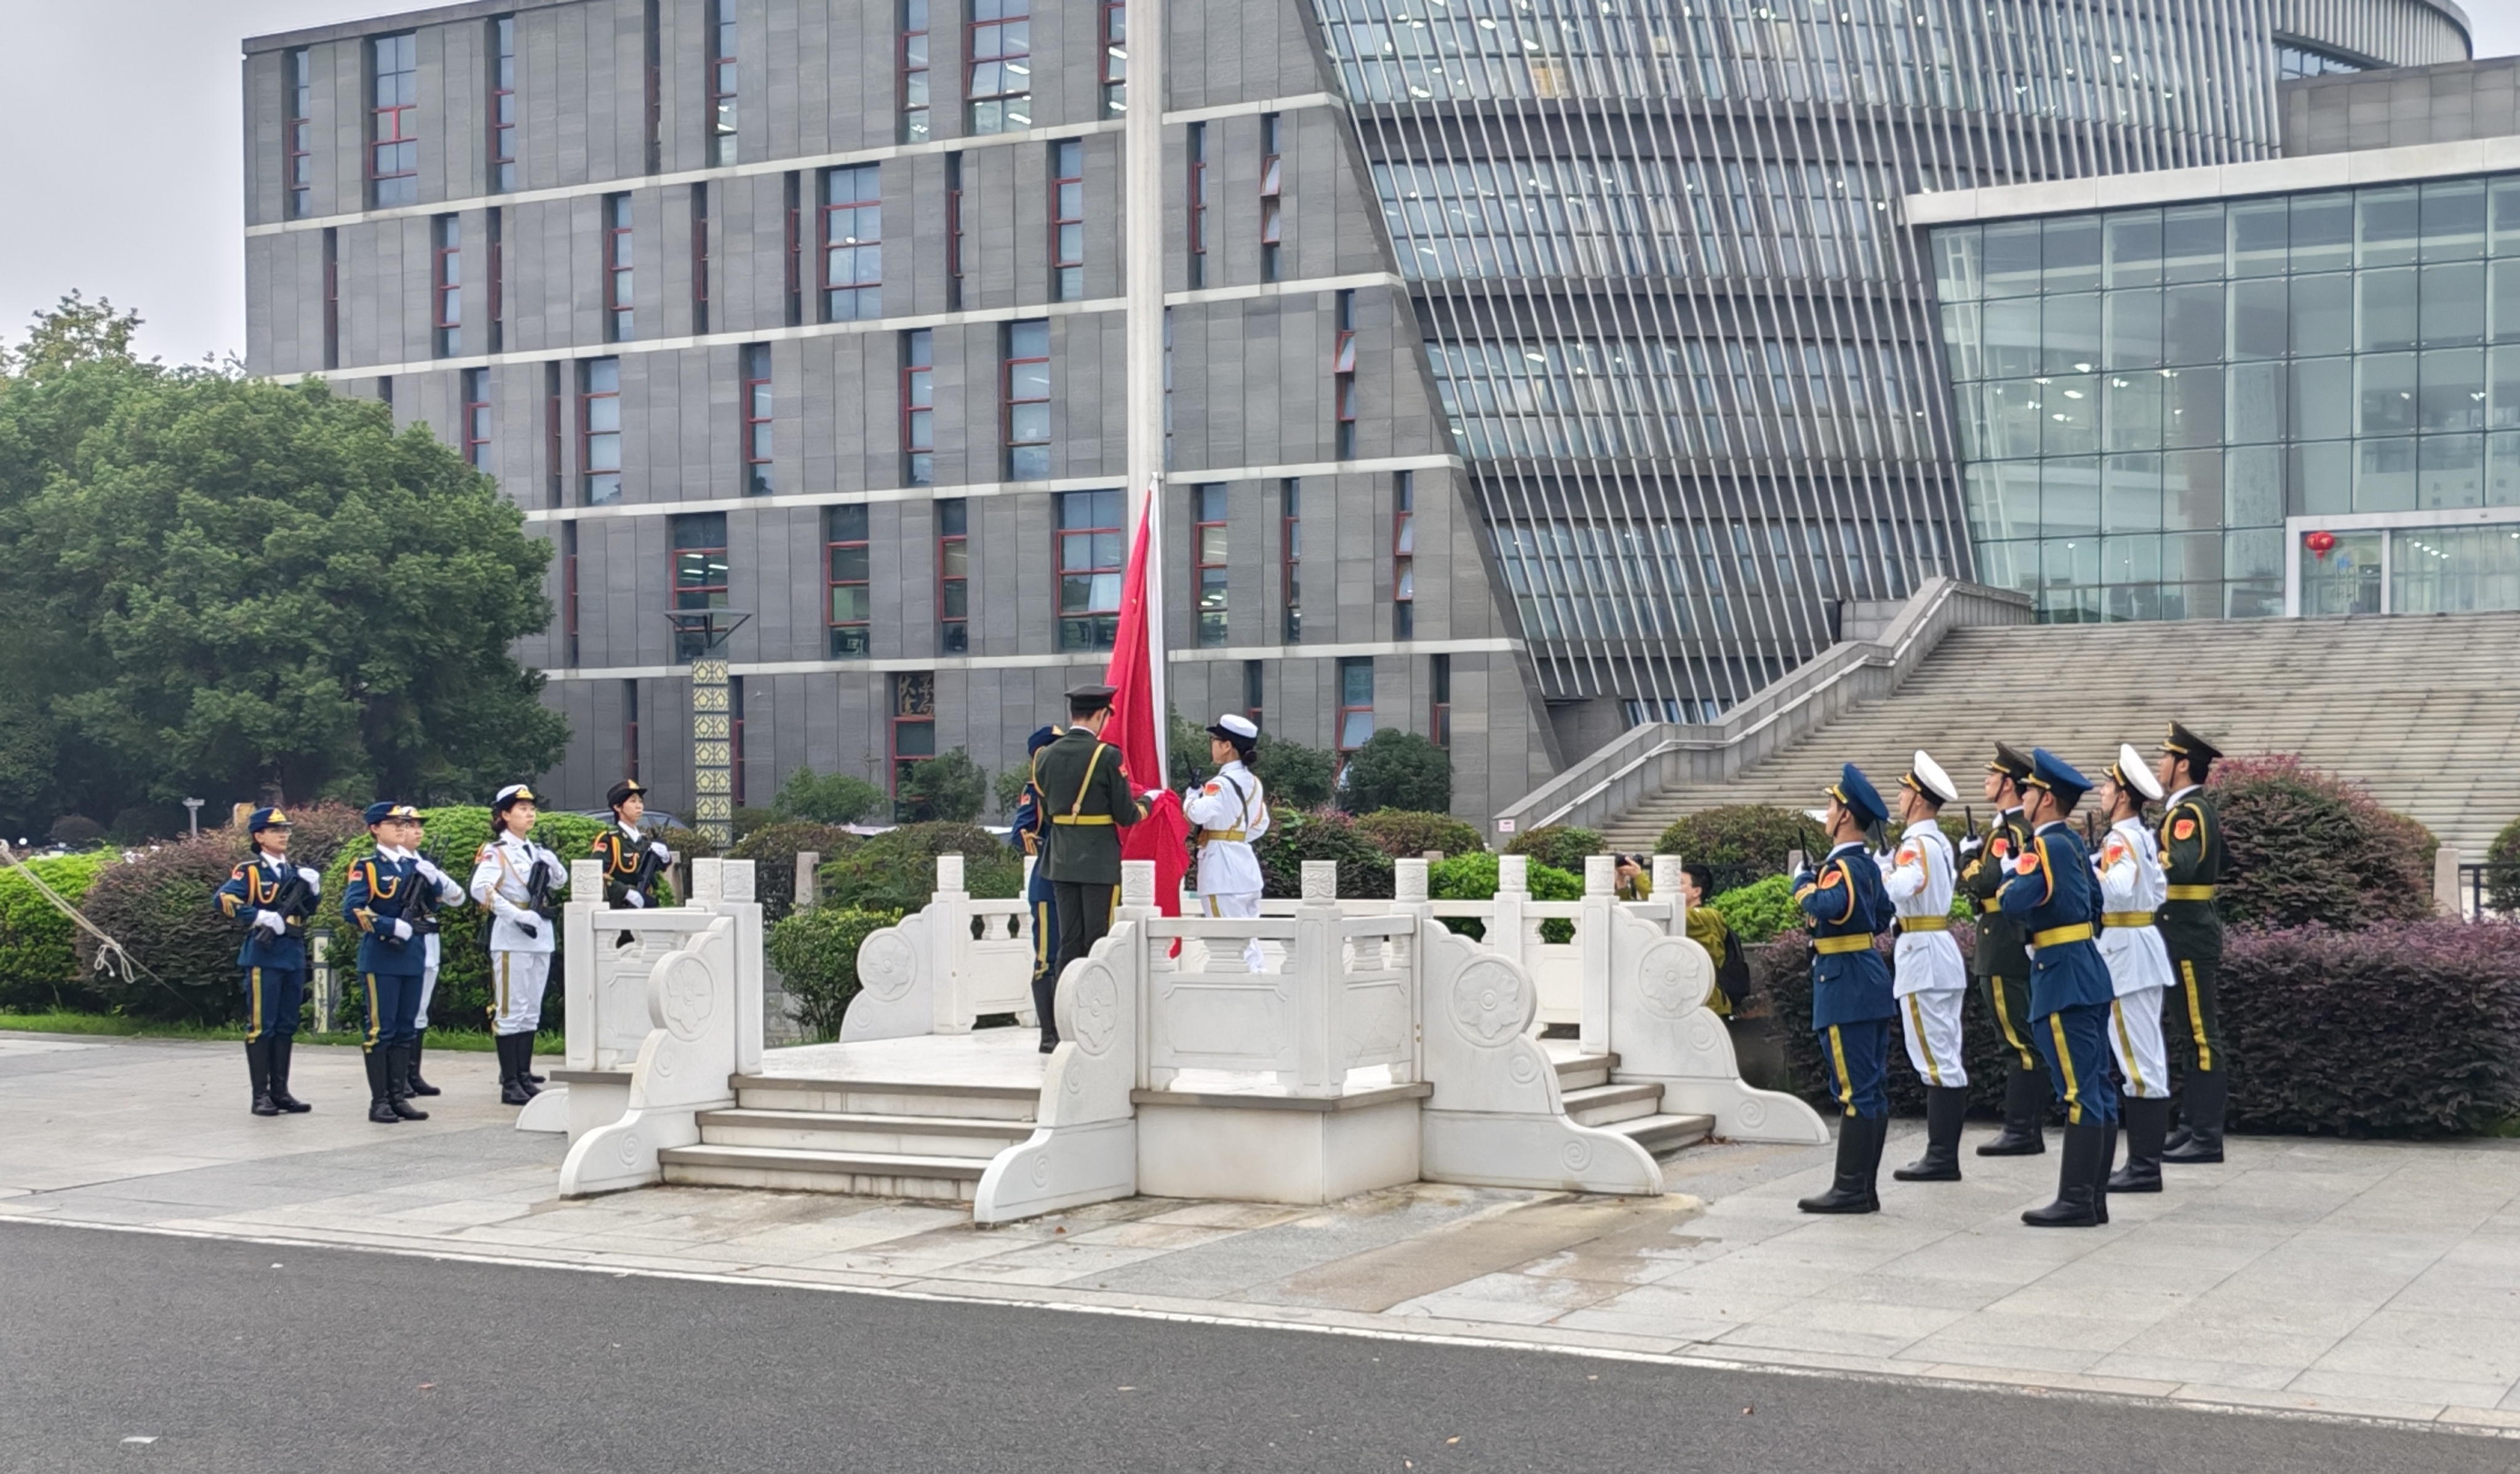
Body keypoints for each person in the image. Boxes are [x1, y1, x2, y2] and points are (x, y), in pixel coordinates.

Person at [1998, 749, 2120, 1228]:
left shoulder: (2043, 846)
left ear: (2046, 798)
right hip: (2087, 968)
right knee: (2097, 1088)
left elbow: (2014, 900)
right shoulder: (2070, 845)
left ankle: (2074, 1200)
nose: (2023, 796)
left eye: (2028, 790)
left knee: (2078, 1092)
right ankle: (2094, 1199)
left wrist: (2012, 875)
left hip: (2061, 977)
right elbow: (2095, 904)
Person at [1793, 763, 1898, 1216]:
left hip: (1844, 983)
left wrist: (1802, 885)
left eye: (1833, 806)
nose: (1827, 814)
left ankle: (1851, 1189)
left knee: (1855, 1091)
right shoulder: (1868, 866)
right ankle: (1863, 1188)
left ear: (1846, 817)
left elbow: (1827, 905)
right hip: (1868, 976)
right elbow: (1882, 916)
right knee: (1870, 1088)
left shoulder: (1841, 868)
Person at [1031, 683, 1147, 1030]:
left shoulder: (1046, 756)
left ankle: (1065, 1018)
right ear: (1100, 714)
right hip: (1098, 861)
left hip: (1060, 860)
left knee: (1069, 940)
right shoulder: (1107, 756)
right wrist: (1150, 804)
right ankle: (1093, 1019)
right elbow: (1126, 814)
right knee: (1097, 938)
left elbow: (1049, 814)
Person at [1884, 751, 1970, 1184]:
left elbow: (1904, 886)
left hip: (1922, 954)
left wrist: (1882, 872)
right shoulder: (1939, 841)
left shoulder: (1915, 845)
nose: (1899, 797)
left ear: (1918, 798)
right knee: (1946, 1054)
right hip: (1939, 950)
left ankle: (1941, 1157)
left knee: (1936, 1059)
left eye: (1904, 790)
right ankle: (1942, 1155)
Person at [2094, 745, 2175, 1194]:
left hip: (2127, 952)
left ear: (2123, 796)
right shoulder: (2141, 836)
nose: (2102, 793)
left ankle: (2144, 1167)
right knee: (2144, 1058)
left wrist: (2093, 876)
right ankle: (2144, 1164)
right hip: (2140, 944)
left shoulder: (2120, 839)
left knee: (2138, 1063)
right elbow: (2157, 889)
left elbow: (2120, 891)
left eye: (2107, 786)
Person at [1961, 742, 2046, 1157]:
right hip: (2009, 940)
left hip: (2002, 943)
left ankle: (2021, 1130)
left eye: (1992, 776)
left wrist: (1968, 863)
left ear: (2008, 785)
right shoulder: (2012, 828)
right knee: (2020, 1037)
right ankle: (2026, 1128)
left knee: (2017, 1040)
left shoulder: (2008, 832)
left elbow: (1987, 882)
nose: (1986, 781)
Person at [2153, 721, 2230, 1165]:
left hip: (2188, 931)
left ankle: (2205, 1135)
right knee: (2189, 1034)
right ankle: (2190, 1127)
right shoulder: (2188, 810)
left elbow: (2180, 867)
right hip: (2182, 930)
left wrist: (2147, 851)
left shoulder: (2188, 813)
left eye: (2166, 758)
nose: (2160, 765)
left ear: (2183, 765)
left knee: (2201, 1035)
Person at [212, 807, 322, 1117]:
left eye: (286, 830)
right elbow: (223, 899)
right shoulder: (249, 871)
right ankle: (260, 1095)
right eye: (276, 830)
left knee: (287, 1024)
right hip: (264, 955)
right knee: (263, 1026)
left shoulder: (294, 872)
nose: (283, 835)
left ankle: (281, 1091)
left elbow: (308, 909)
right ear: (259, 836)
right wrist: (259, 916)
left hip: (293, 952)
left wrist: (313, 889)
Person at [470, 784, 565, 1105]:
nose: (529, 813)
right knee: (510, 1011)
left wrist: (554, 865)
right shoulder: (496, 851)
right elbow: (480, 889)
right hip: (512, 937)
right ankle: (509, 1082)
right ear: (505, 815)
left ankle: (524, 1076)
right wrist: (514, 916)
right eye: (521, 808)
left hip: (540, 935)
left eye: (531, 808)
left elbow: (559, 882)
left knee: (531, 1011)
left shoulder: (535, 850)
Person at [343, 802, 434, 1123]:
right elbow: (353, 909)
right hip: (382, 957)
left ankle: (399, 1097)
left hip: (411, 956)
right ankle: (379, 1101)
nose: (400, 827)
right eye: (392, 822)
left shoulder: (414, 866)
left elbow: (434, 904)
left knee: (405, 1029)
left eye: (402, 822)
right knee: (381, 1030)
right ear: (374, 829)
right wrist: (390, 926)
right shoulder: (367, 866)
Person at [1183, 714, 1270, 973]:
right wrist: (1235, 837)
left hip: (1222, 872)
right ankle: (1260, 988)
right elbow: (1260, 823)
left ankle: (1244, 996)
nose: (1212, 744)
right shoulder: (1254, 783)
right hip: (1245, 867)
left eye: (1215, 740)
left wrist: (1190, 798)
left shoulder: (1219, 784)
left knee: (1228, 942)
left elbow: (1197, 813)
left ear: (1227, 746)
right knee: (1249, 942)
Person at [402, 813, 467, 1098]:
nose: (417, 831)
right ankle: (399, 1076)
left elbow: (458, 898)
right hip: (406, 940)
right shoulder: (394, 865)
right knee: (405, 1010)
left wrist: (436, 876)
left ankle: (413, 1074)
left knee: (421, 1008)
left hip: (429, 937)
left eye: (418, 826)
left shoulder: (425, 862)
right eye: (409, 826)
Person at [1010, 725, 1064, 1051]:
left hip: (1079, 881)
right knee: (1048, 958)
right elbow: (1021, 834)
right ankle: (1049, 1033)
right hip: (1048, 882)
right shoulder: (1035, 790)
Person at [593, 778, 675, 944]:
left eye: (640, 801)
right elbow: (597, 873)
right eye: (632, 801)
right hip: (621, 910)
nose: (639, 806)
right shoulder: (611, 839)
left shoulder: (644, 841)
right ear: (618, 807)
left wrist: (665, 857)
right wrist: (625, 892)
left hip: (646, 909)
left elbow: (659, 867)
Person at [1678, 862, 1743, 1017]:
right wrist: (1622, 883)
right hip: (1690, 1003)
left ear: (1697, 892)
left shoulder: (1706, 916)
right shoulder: (1678, 917)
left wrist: (1640, 877)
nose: (1673, 888)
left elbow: (1672, 911)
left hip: (1710, 1006)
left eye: (1680, 883)